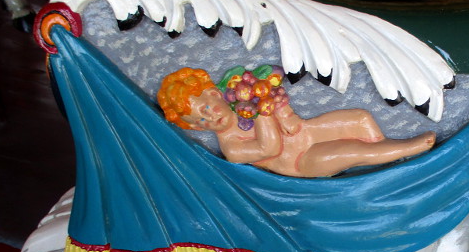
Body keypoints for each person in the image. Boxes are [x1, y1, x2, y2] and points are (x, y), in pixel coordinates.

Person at [157, 67, 436, 177]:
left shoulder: (239, 98)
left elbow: (277, 102)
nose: (210, 117)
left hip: (306, 133)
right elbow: (270, 146)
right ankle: (405, 150)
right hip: (301, 160)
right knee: (354, 150)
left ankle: (385, 158)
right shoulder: (232, 147)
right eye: (200, 120)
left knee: (361, 119)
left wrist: (281, 112)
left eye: (206, 108)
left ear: (215, 94)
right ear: (197, 128)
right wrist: (259, 107)